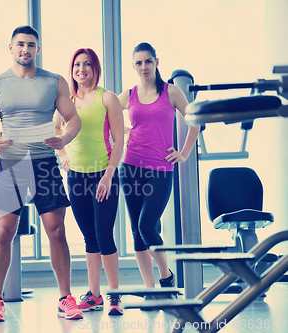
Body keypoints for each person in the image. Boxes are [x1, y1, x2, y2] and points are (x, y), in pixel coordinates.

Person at [0, 25, 82, 321]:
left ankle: (65, 298)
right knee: (4, 232)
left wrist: (64, 139)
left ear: (38, 49)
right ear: (11, 48)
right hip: (11, 164)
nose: (25, 49)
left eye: (31, 45)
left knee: (56, 230)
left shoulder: (54, 81)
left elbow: (72, 119)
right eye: (20, 44)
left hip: (45, 163)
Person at [118, 42, 200, 291]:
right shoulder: (129, 94)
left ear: (156, 62)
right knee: (136, 232)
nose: (144, 66)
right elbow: (102, 114)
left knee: (147, 226)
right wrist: (122, 130)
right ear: (133, 66)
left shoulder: (171, 92)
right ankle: (150, 290)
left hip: (160, 169)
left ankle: (166, 278)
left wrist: (183, 154)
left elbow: (195, 121)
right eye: (139, 62)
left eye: (148, 61)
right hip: (130, 167)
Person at [55, 48, 124, 316]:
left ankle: (115, 296)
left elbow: (119, 140)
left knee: (105, 235)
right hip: (76, 177)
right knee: (89, 238)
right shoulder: (67, 100)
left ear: (95, 68)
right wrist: (62, 155)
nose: (81, 69)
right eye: (77, 65)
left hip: (103, 175)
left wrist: (108, 176)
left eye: (87, 64)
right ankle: (94, 295)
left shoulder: (107, 98)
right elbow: (57, 130)